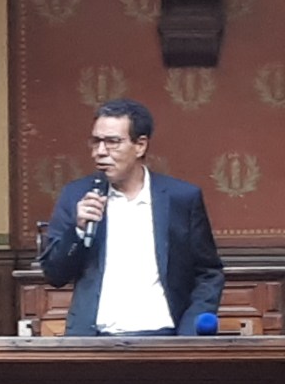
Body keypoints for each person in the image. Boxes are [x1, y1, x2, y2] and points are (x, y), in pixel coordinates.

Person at [40, 97, 225, 336]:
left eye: (112, 142)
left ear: (140, 146)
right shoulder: (77, 196)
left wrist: (189, 333)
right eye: (96, 142)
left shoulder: (181, 198)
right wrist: (77, 231)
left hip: (163, 337)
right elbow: (54, 275)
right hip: (94, 340)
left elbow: (208, 273)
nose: (100, 152)